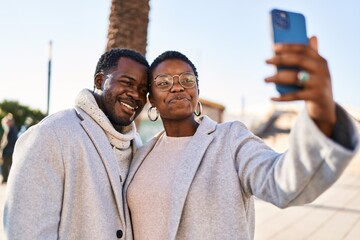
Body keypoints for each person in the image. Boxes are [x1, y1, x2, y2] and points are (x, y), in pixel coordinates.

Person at [124, 37, 359, 240]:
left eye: (187, 80)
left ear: (197, 92)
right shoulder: (143, 154)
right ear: (151, 99)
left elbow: (281, 181)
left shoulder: (230, 140)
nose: (177, 87)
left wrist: (321, 111)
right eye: (163, 82)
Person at [3, 48, 149, 239]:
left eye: (143, 90)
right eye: (127, 82)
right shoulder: (51, 134)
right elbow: (25, 233)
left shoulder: (139, 146)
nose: (136, 95)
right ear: (99, 81)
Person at [0, 113, 18, 184]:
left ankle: (5, 180)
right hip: (12, 151)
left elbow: (7, 141)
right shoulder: (13, 129)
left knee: (5, 166)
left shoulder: (10, 129)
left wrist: (2, 148)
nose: (4, 124)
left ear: (9, 122)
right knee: (12, 167)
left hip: (8, 152)